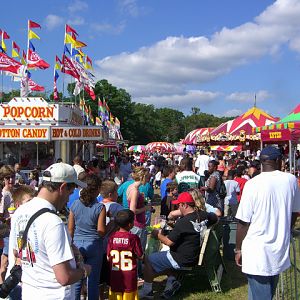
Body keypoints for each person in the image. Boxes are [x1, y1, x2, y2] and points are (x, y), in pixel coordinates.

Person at [8, 163, 91, 299]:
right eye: (69, 194)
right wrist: (84, 271)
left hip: (30, 293)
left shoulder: (20, 212)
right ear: (63, 187)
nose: (68, 199)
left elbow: (16, 251)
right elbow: (64, 277)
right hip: (53, 295)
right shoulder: (53, 221)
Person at [235, 146, 300, 300]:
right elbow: (294, 212)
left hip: (257, 250)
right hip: (277, 249)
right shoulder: (291, 180)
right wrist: (286, 230)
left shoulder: (252, 184)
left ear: (261, 162)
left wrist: (237, 248)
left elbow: (243, 222)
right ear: (278, 161)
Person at [139, 192, 218, 299]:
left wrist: (157, 234)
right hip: (194, 255)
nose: (178, 207)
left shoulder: (183, 222)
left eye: (179, 205)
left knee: (148, 259)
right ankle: (172, 281)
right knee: (161, 260)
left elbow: (168, 242)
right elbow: (215, 217)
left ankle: (147, 291)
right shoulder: (203, 215)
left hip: (181, 258)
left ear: (185, 205)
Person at [68, 174, 106, 300]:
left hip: (77, 245)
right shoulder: (100, 207)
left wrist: (70, 244)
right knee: (93, 281)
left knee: (77, 280)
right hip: (94, 245)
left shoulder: (74, 205)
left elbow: (70, 229)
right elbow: (101, 231)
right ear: (97, 190)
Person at [107, 209, 143, 300]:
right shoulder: (133, 238)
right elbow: (140, 256)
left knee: (116, 295)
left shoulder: (112, 237)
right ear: (130, 224)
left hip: (115, 274)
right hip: (129, 276)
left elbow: (108, 257)